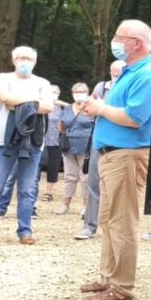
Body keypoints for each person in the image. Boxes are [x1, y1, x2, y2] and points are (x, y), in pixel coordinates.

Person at [78, 19, 151, 300]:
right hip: (111, 155)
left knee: (123, 221)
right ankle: (106, 277)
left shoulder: (148, 74)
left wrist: (101, 108)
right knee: (109, 219)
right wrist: (97, 109)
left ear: (136, 42)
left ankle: (122, 285)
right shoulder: (128, 72)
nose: (114, 41)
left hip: (127, 156)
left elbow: (134, 118)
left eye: (118, 36)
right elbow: (117, 111)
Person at [0, 46, 54, 245]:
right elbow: (4, 98)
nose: (25, 61)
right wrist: (34, 103)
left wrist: (19, 104)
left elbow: (48, 107)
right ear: (13, 60)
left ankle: (25, 230)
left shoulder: (43, 82)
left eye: (29, 58)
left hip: (33, 143)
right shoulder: (3, 78)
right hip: (4, 140)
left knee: (27, 189)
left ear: (35, 62)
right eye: (21, 58)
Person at [74, 60, 124, 240]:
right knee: (93, 183)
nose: (116, 76)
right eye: (114, 73)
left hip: (122, 143)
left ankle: (114, 229)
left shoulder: (129, 88)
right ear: (110, 72)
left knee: (118, 189)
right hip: (100, 141)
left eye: (120, 73)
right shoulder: (101, 87)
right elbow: (90, 111)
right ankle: (89, 226)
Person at [55, 82, 93, 215]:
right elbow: (60, 125)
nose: (79, 94)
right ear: (72, 94)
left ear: (87, 93)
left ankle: (85, 206)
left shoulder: (92, 107)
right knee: (69, 176)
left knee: (86, 177)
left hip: (87, 147)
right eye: (76, 92)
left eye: (82, 91)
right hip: (68, 147)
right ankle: (65, 204)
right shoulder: (67, 108)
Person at [41, 84, 63, 202]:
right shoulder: (41, 104)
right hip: (40, 139)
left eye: (55, 92)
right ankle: (32, 189)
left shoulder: (62, 107)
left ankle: (49, 192)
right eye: (50, 91)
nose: (53, 94)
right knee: (37, 165)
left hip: (55, 140)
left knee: (53, 166)